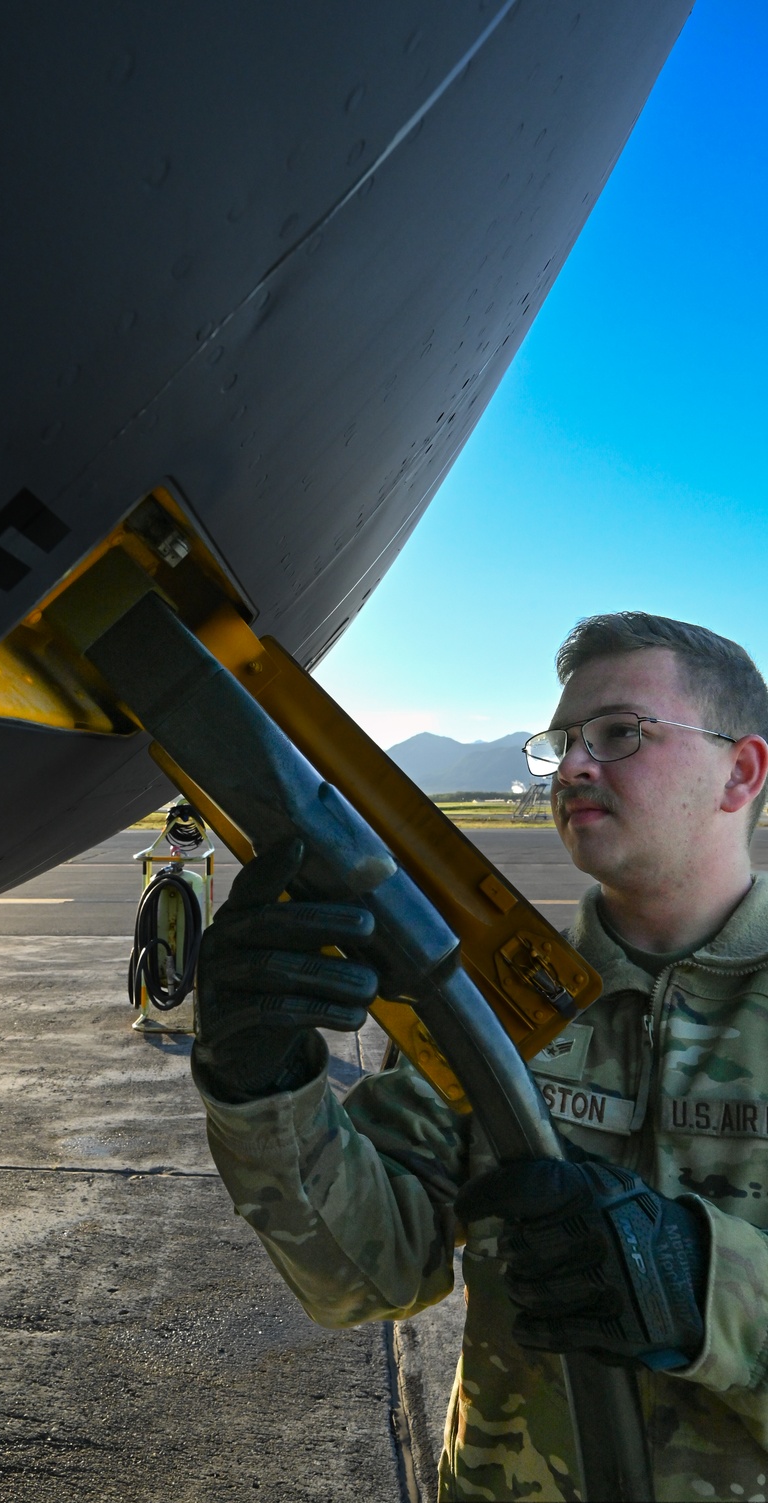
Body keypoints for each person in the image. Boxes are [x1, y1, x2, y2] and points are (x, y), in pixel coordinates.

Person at [190, 612, 768, 1502]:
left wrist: (693, 1281)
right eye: (563, 742)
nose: (573, 766)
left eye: (620, 734)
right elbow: (363, 1274)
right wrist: (265, 1083)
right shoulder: (497, 1002)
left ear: (742, 770)